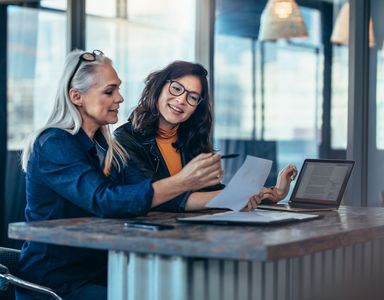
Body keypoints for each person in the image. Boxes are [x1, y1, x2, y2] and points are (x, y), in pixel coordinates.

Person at [17, 50, 262, 300]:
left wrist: (238, 196)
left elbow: (152, 194)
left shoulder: (108, 147)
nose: (120, 98)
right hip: (57, 282)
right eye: (109, 91)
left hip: (103, 271)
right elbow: (105, 200)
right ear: (76, 96)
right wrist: (183, 181)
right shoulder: (54, 144)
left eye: (119, 90)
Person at [113, 61, 298, 211]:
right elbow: (155, 197)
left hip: (192, 233)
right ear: (159, 87)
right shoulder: (125, 138)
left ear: (196, 108)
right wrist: (234, 197)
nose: (181, 101)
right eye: (176, 88)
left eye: (192, 97)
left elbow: (212, 193)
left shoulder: (191, 139)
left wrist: (273, 193)